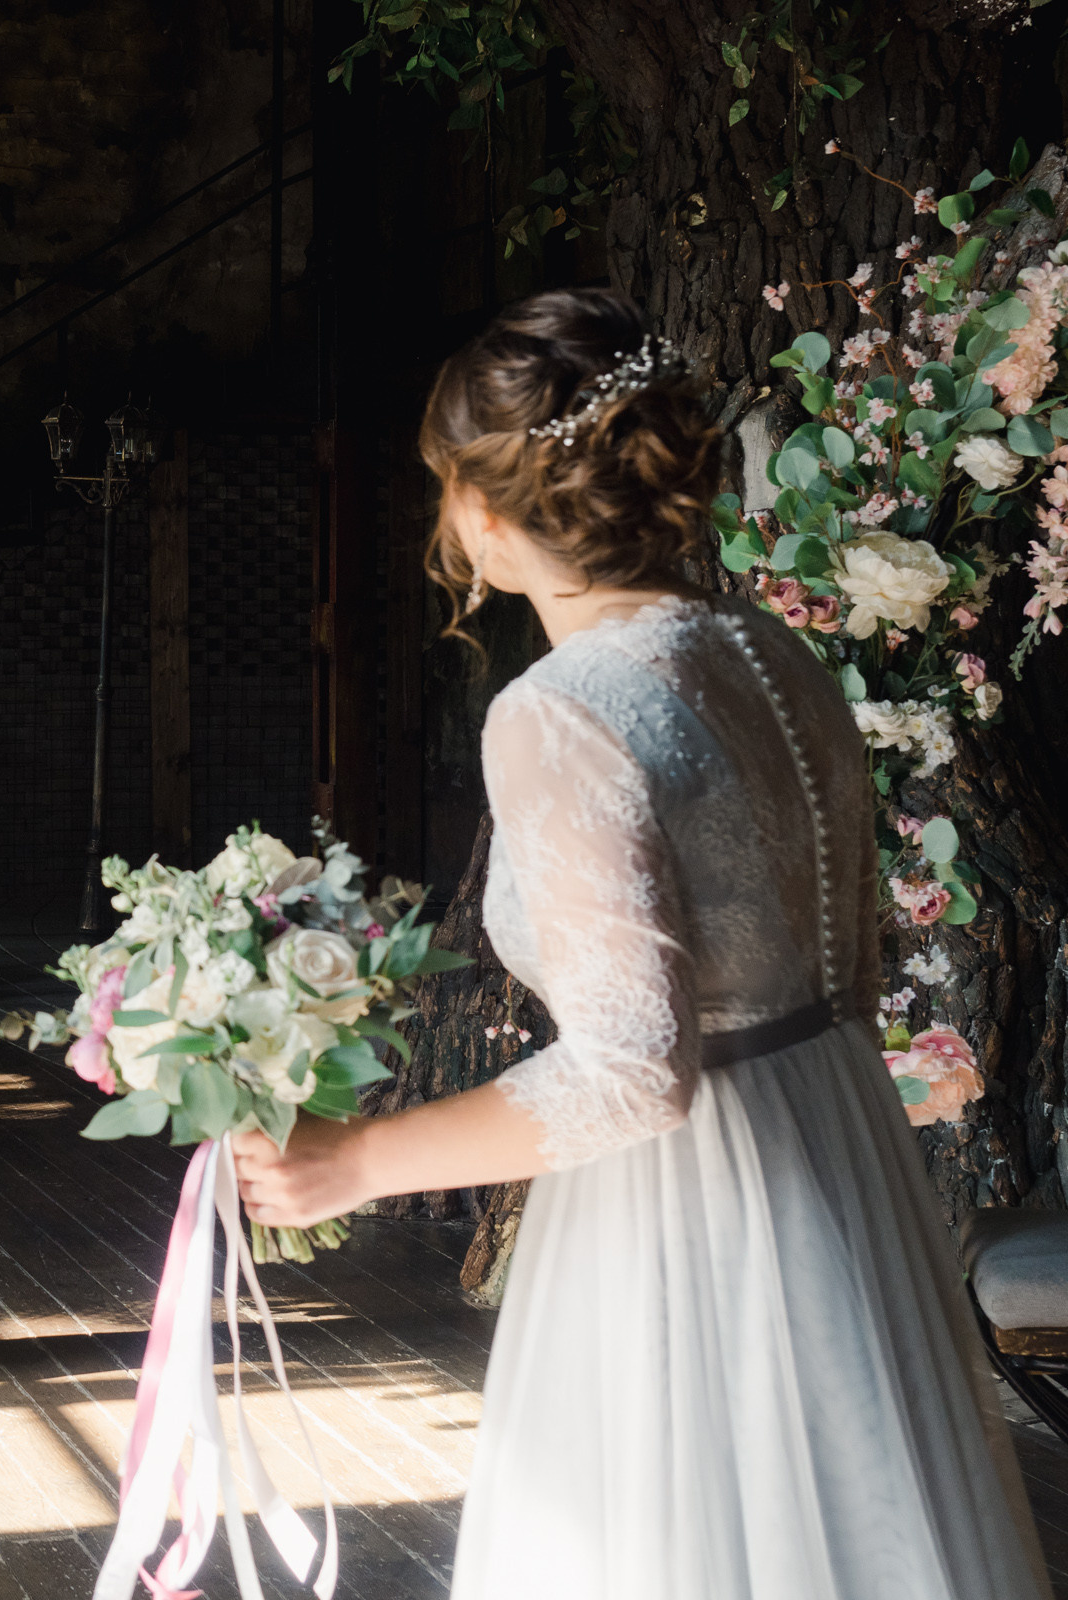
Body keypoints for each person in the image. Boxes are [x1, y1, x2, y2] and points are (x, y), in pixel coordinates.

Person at [231, 290, 1048, 1599]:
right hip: (839, 1158)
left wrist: (356, 1161)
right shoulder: (775, 658)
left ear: (481, 512)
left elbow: (626, 1073)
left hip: (691, 1215)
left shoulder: (560, 710)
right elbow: (846, 973)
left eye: (445, 486)